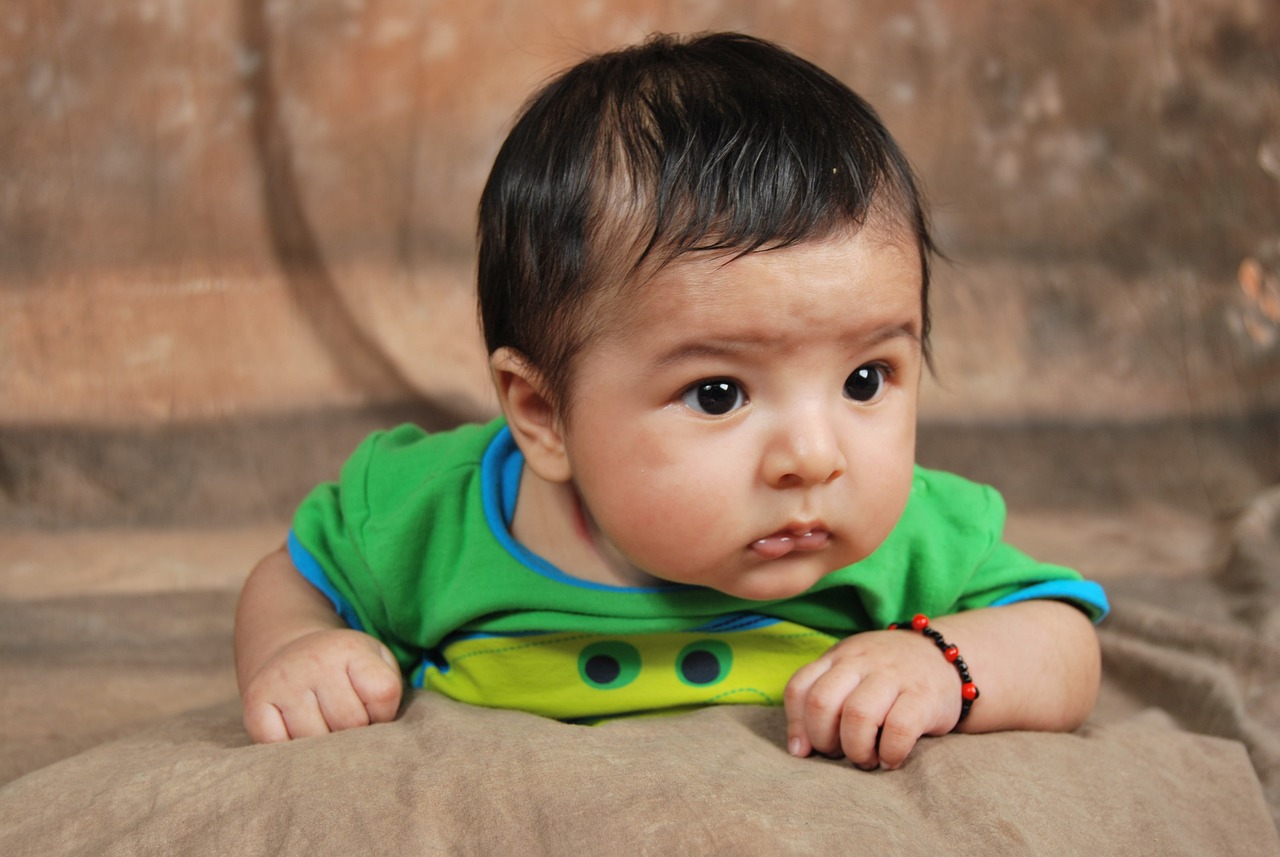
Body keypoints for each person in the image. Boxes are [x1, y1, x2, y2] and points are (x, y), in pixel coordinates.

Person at [234, 32, 1108, 770]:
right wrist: (295, 649)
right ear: (541, 415)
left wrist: (944, 664)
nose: (814, 455)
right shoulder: (431, 515)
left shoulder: (909, 532)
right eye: (719, 393)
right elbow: (295, 575)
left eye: (865, 379)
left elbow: (1063, 641)